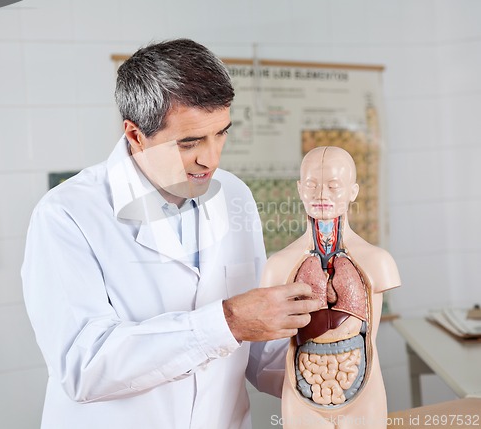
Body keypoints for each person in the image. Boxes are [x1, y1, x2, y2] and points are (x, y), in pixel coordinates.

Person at [21, 39, 318, 429]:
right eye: (189, 142)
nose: (210, 159)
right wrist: (226, 321)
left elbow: (257, 353)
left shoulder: (234, 195)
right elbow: (84, 364)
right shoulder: (66, 215)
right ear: (135, 135)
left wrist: (322, 371)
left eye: (221, 134)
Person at [261, 146, 401, 429]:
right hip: (302, 391)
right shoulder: (277, 266)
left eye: (333, 186)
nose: (321, 195)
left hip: (365, 388)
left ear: (353, 192)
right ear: (300, 189)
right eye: (312, 185)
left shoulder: (379, 262)